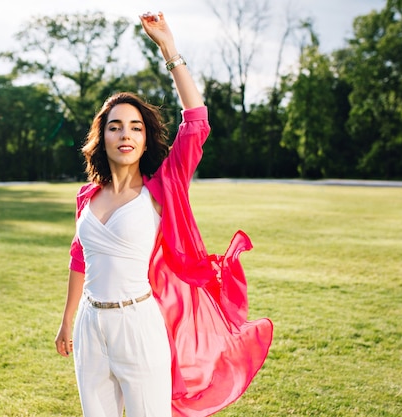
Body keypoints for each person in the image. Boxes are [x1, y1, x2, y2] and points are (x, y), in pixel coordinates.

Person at [55, 11, 273, 417]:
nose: (125, 135)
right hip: (90, 326)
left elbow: (197, 122)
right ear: (101, 137)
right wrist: (67, 321)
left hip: (138, 324)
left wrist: (169, 49)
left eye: (135, 127)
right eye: (116, 126)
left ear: (144, 138)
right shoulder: (86, 195)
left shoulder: (161, 187)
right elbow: (79, 259)